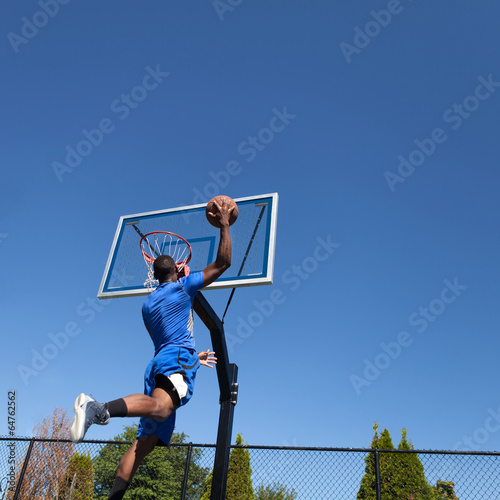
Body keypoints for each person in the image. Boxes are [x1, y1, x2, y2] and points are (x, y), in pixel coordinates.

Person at [69, 197, 234, 500]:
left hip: (162, 362)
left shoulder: (147, 306)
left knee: (142, 445)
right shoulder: (184, 287)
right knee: (162, 407)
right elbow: (224, 263)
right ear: (179, 269)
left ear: (153, 275)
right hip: (176, 361)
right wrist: (224, 223)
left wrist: (191, 356)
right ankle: (99, 409)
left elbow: (167, 337)